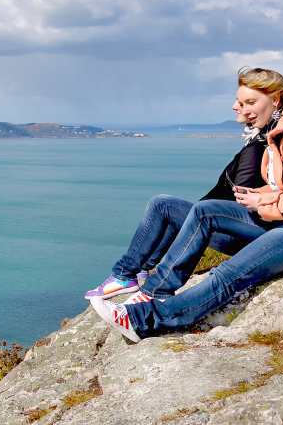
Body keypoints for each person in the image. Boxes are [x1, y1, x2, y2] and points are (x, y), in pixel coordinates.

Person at [89, 67, 283, 342]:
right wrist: (262, 197)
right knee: (204, 211)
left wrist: (262, 202)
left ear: (275, 99)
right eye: (240, 102)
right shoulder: (278, 131)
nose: (241, 108)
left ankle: (143, 320)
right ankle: (155, 291)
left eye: (250, 101)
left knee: (228, 275)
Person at [84, 99, 270, 300]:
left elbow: (239, 199)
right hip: (240, 231)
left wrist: (199, 214)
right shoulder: (258, 143)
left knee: (161, 204)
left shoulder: (256, 149)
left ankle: (123, 275)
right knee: (173, 210)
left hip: (236, 235)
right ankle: (140, 272)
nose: (235, 106)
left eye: (243, 103)